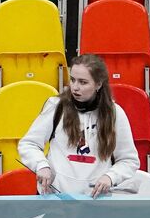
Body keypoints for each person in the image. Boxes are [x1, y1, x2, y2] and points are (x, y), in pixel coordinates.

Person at [18, 55, 139, 197]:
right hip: (54, 198)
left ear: (98, 84)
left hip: (95, 202)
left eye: (83, 82)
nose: (75, 87)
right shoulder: (56, 106)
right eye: (73, 80)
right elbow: (28, 144)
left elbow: (128, 160)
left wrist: (110, 177)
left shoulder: (115, 113)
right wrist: (41, 165)